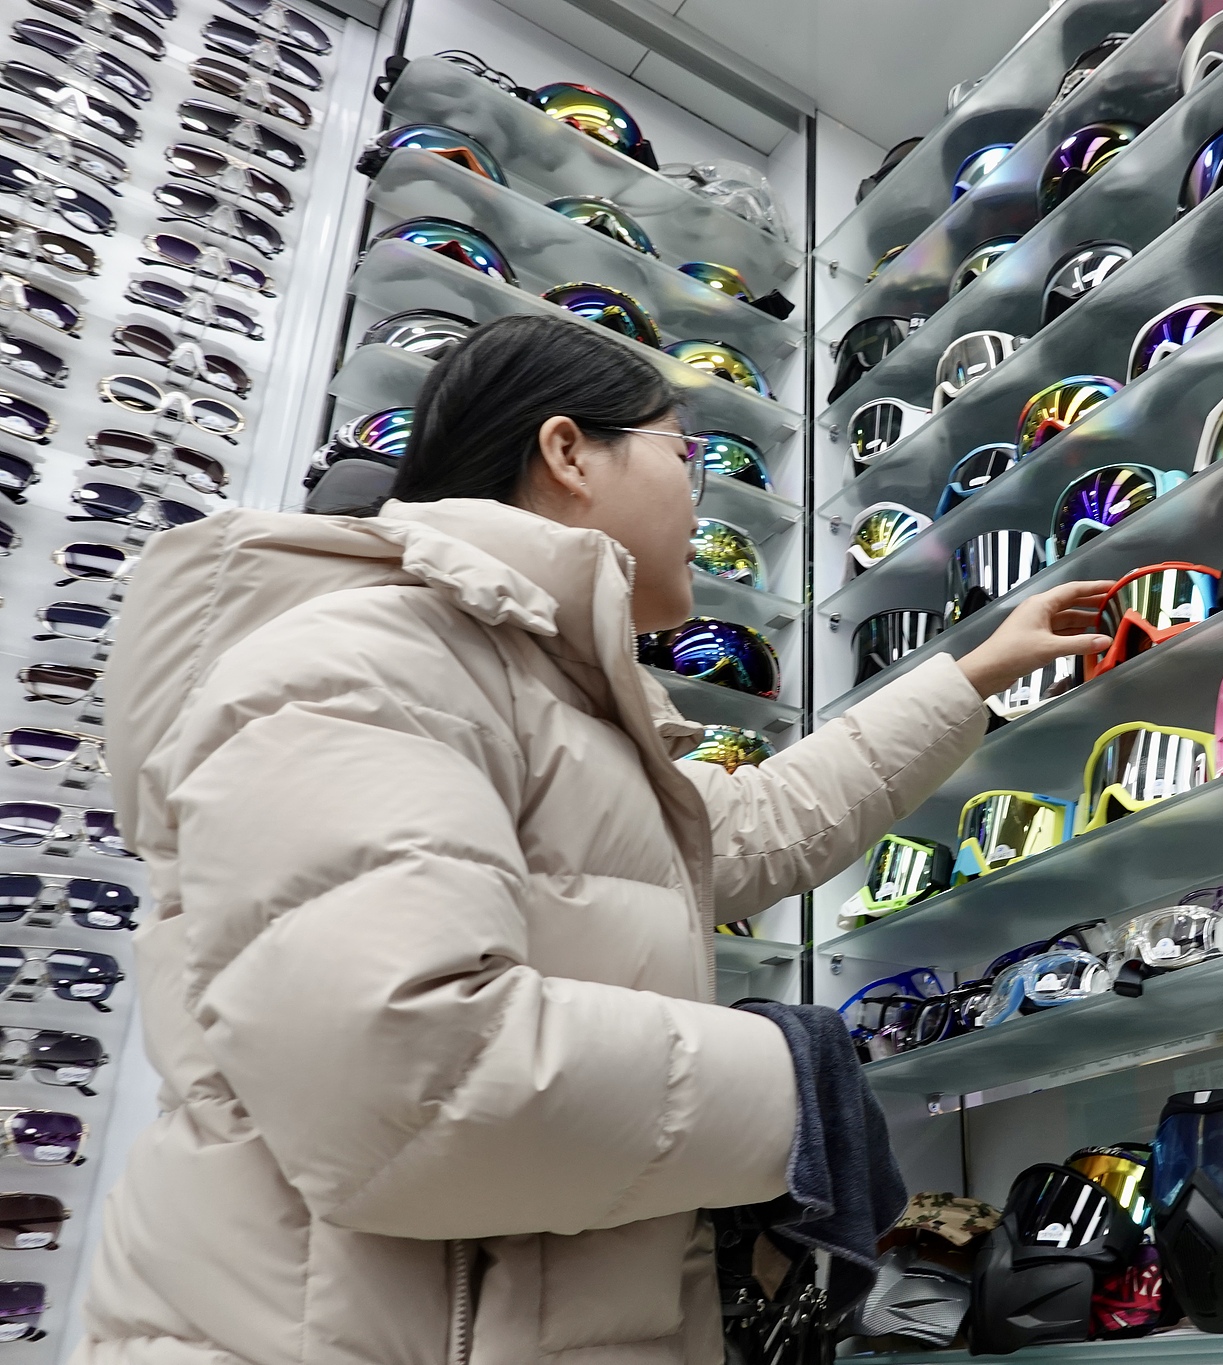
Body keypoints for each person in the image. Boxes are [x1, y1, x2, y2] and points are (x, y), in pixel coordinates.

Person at [73, 313, 1114, 1365]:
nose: (695, 492)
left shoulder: (520, 687)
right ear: (568, 452)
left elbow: (744, 834)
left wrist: (970, 673)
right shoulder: (369, 660)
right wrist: (792, 1084)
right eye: (682, 455)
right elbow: (417, 1081)